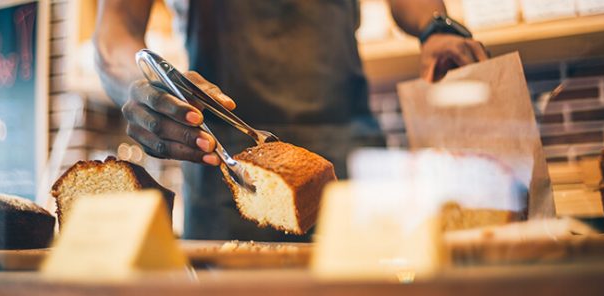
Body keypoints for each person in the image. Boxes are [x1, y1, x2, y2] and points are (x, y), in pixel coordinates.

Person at [94, 0, 488, 241]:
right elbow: (115, 32)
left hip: (350, 167)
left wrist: (435, 26)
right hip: (228, 179)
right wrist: (138, 83)